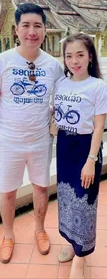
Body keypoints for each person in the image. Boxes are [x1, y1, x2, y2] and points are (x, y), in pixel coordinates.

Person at [0, 3, 63, 264]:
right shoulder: (1, 61)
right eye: (26, 25)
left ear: (44, 29)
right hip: (9, 141)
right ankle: (8, 234)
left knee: (41, 187)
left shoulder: (53, 65)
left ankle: (40, 230)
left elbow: (64, 98)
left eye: (37, 26)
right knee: (8, 191)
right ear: (16, 29)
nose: (32, 31)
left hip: (41, 140)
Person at [54, 33, 107, 278]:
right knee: (66, 199)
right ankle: (71, 243)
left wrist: (91, 160)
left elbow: (99, 127)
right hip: (64, 146)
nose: (74, 61)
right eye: (69, 56)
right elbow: (56, 111)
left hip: (86, 149)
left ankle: (81, 256)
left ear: (90, 56)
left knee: (85, 201)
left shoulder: (97, 86)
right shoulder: (62, 83)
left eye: (80, 55)